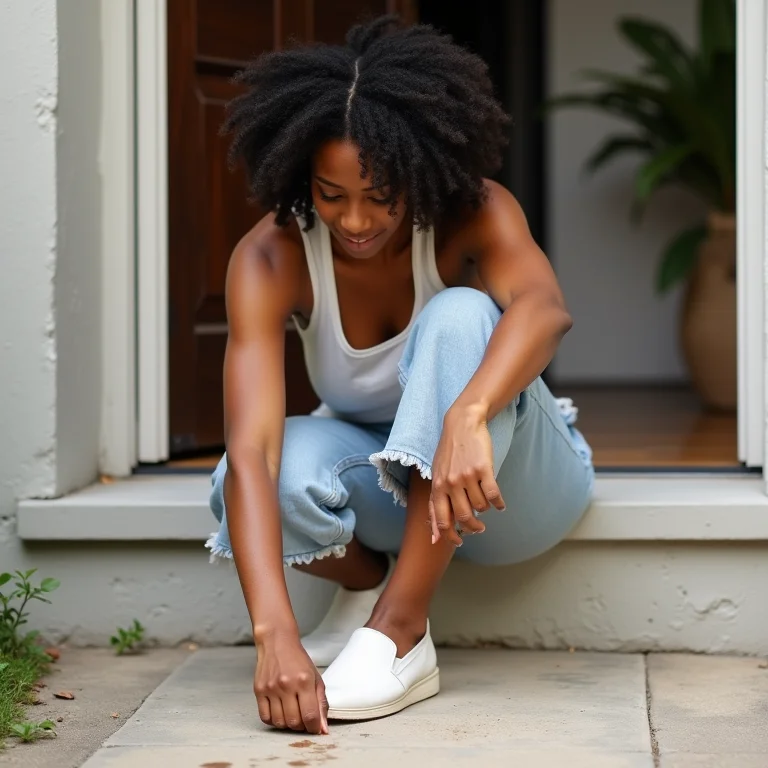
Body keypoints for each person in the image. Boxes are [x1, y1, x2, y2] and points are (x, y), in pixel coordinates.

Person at [206, 15, 593, 735]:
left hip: (517, 491)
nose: (356, 221)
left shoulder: (473, 212)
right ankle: (368, 589)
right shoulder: (270, 257)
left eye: (382, 194)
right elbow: (253, 452)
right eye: (331, 194)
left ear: (418, 171)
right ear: (301, 177)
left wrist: (468, 413)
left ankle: (402, 630)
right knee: (245, 476)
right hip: (400, 493)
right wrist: (274, 636)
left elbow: (544, 309)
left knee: (460, 314)